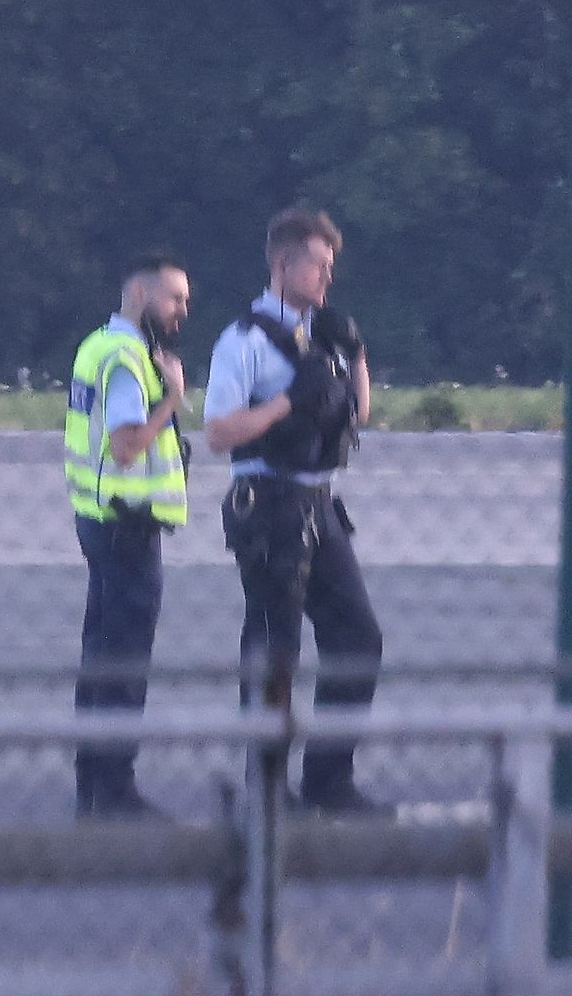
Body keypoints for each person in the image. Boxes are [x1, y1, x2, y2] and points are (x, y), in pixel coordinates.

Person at [202, 205, 381, 814]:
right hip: (270, 504)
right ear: (283, 263)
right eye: (319, 266)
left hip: (318, 502)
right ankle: (267, 788)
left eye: (332, 267)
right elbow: (219, 433)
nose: (328, 278)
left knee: (358, 637)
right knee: (276, 649)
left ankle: (329, 780)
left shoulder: (324, 337)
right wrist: (282, 406)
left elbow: (356, 415)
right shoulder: (244, 341)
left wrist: (355, 354)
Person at [63, 252, 193, 819]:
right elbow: (125, 445)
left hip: (97, 520)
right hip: (127, 527)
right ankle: (114, 791)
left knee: (100, 657)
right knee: (124, 662)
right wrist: (173, 400)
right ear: (140, 296)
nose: (182, 311)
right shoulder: (126, 360)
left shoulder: (97, 345)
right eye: (174, 298)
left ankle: (92, 785)